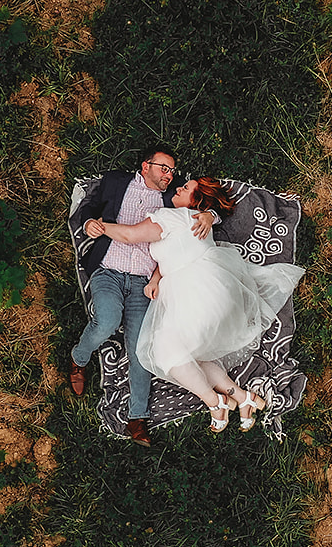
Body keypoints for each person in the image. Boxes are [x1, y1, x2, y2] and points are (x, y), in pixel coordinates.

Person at [87, 176, 305, 433]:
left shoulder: (171, 216)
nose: (178, 188)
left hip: (195, 293)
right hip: (218, 293)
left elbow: (130, 234)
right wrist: (156, 278)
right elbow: (173, 253)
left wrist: (99, 226)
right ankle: (245, 399)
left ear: (196, 200)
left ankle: (215, 402)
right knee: (191, 356)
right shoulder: (199, 221)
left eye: (186, 188)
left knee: (164, 352)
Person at [68, 145, 214, 447]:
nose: (169, 175)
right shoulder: (115, 181)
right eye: (164, 168)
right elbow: (88, 208)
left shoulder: (173, 193)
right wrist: (89, 223)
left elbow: (206, 203)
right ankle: (78, 359)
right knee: (107, 322)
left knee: (140, 348)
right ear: (145, 166)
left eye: (172, 171)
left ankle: (137, 418)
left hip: (142, 282)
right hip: (108, 269)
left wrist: (210, 215)